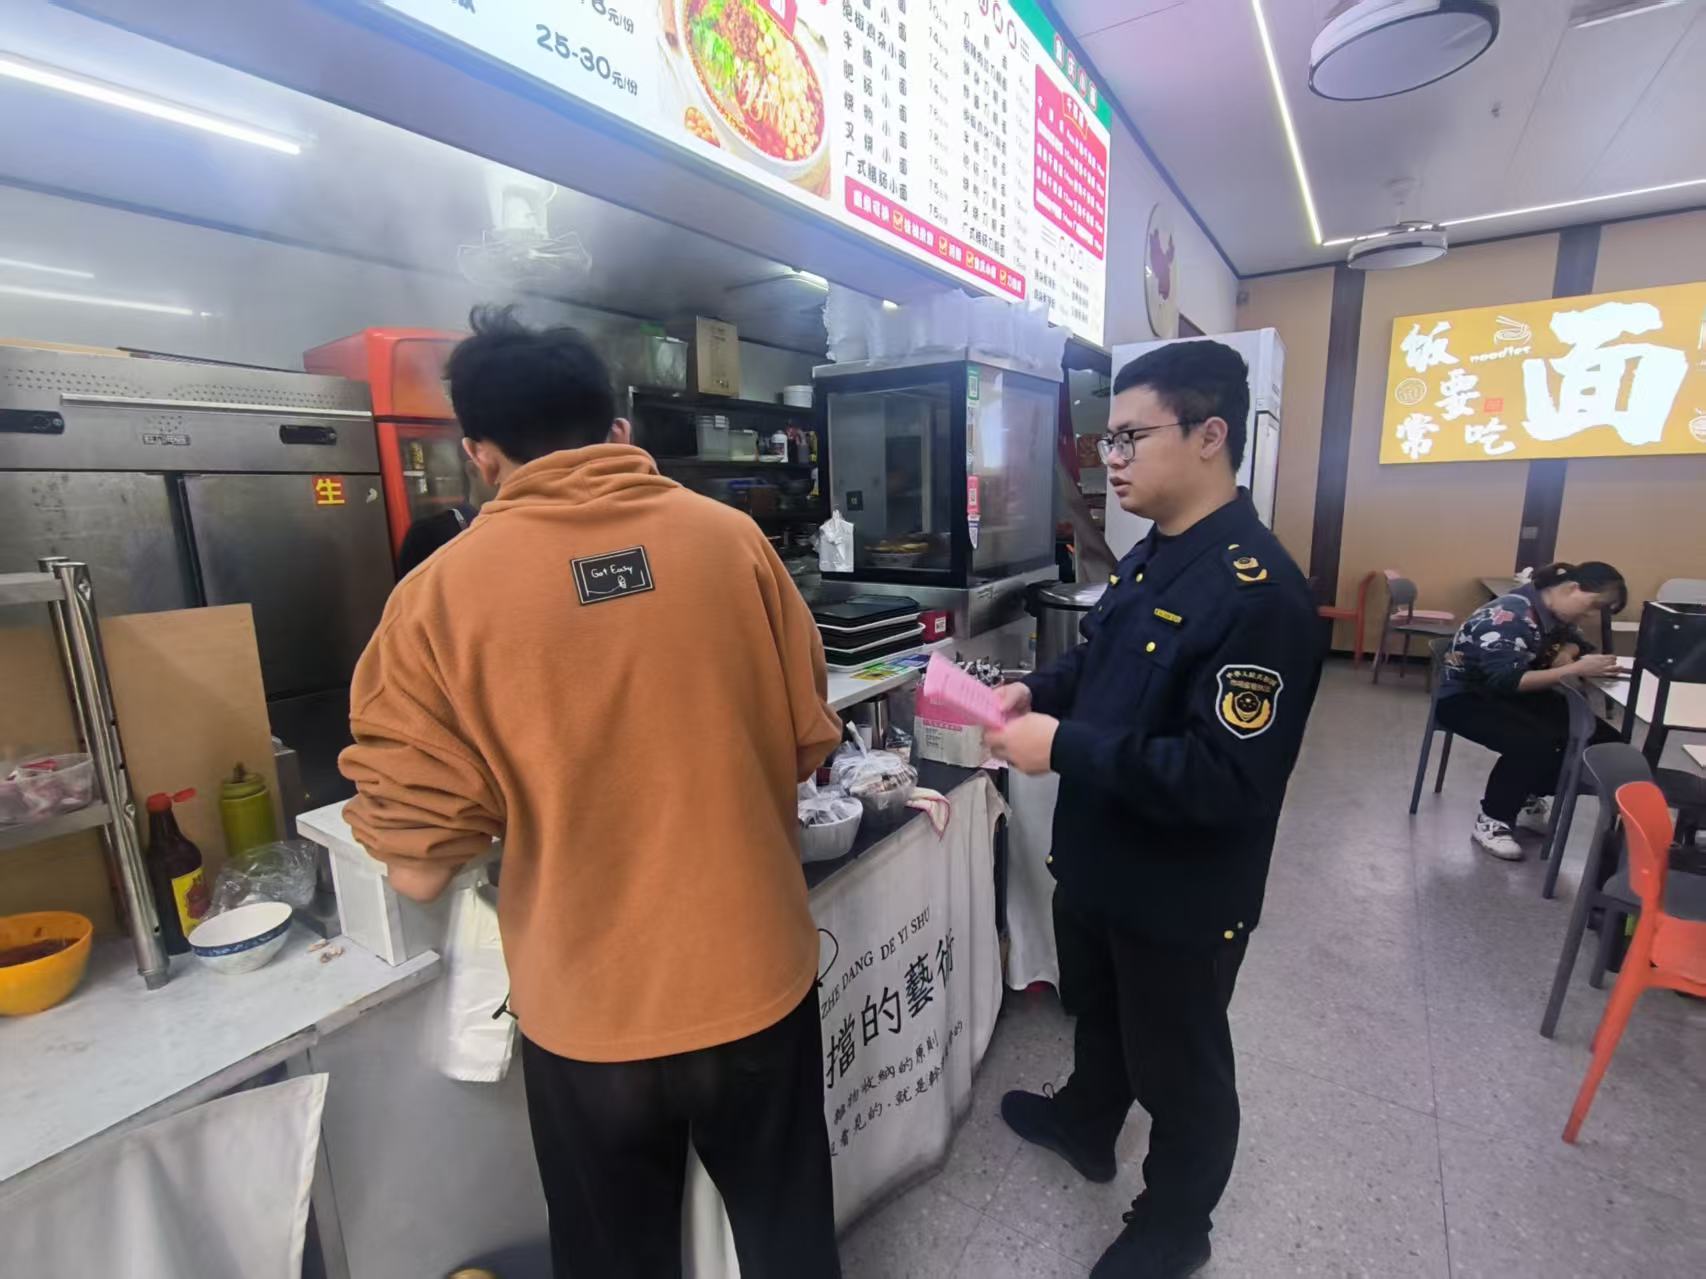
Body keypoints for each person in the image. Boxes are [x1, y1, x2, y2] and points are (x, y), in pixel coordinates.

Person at [339, 307, 844, 1279]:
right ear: (617, 429)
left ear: (479, 453)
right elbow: (803, 745)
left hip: (590, 1012)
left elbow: (416, 871)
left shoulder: (435, 600)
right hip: (755, 975)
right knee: (789, 1244)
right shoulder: (733, 543)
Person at [985, 340, 1321, 1279]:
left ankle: (1176, 1226)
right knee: (1102, 1012)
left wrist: (1064, 747)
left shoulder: (1260, 594)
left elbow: (1226, 778)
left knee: (1181, 1065)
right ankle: (1088, 1121)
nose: (1112, 459)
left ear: (1210, 435)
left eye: (1131, 437)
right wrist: (1036, 691)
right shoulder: (1156, 555)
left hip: (1182, 888)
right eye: (1108, 440)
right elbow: (1100, 658)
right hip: (1105, 859)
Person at [1434, 562, 1626, 860]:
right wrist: (1574, 669)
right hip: (1465, 698)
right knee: (1534, 743)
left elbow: (1579, 642)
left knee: (1601, 740)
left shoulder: (1553, 612)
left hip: (1516, 694)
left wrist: (1567, 653)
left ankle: (1527, 791)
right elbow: (1506, 681)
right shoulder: (1511, 615)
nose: (1590, 615)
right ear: (1572, 589)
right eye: (1593, 606)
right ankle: (1493, 820)